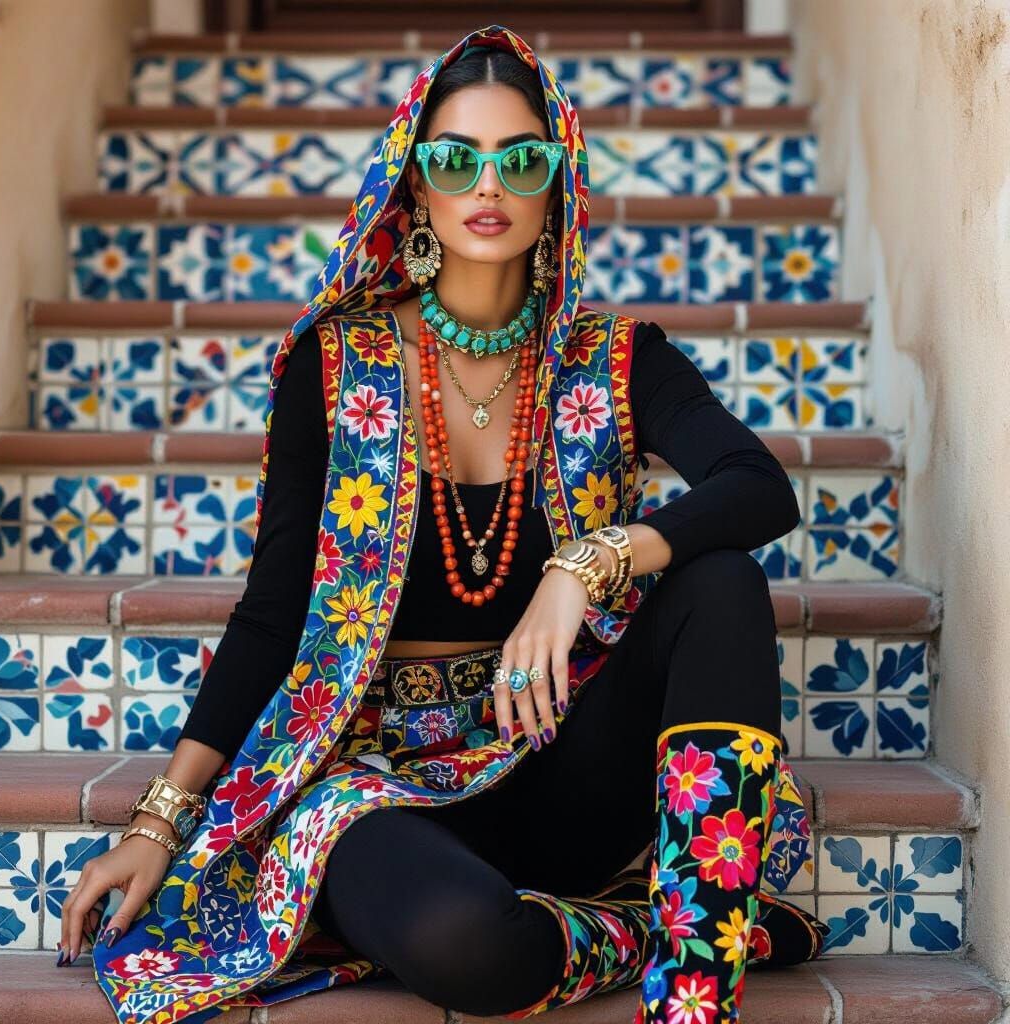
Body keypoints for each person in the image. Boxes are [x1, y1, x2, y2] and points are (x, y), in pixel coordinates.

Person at [66, 24, 827, 1024]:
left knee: (722, 580)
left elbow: (758, 486)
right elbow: (272, 615)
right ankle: (656, 922)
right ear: (413, 183)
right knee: (474, 948)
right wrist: (163, 817)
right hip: (379, 779)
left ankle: (691, 992)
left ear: (558, 184)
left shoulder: (614, 359)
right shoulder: (335, 368)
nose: (488, 185)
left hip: (557, 752)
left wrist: (587, 564)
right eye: (455, 158)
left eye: (521, 160)